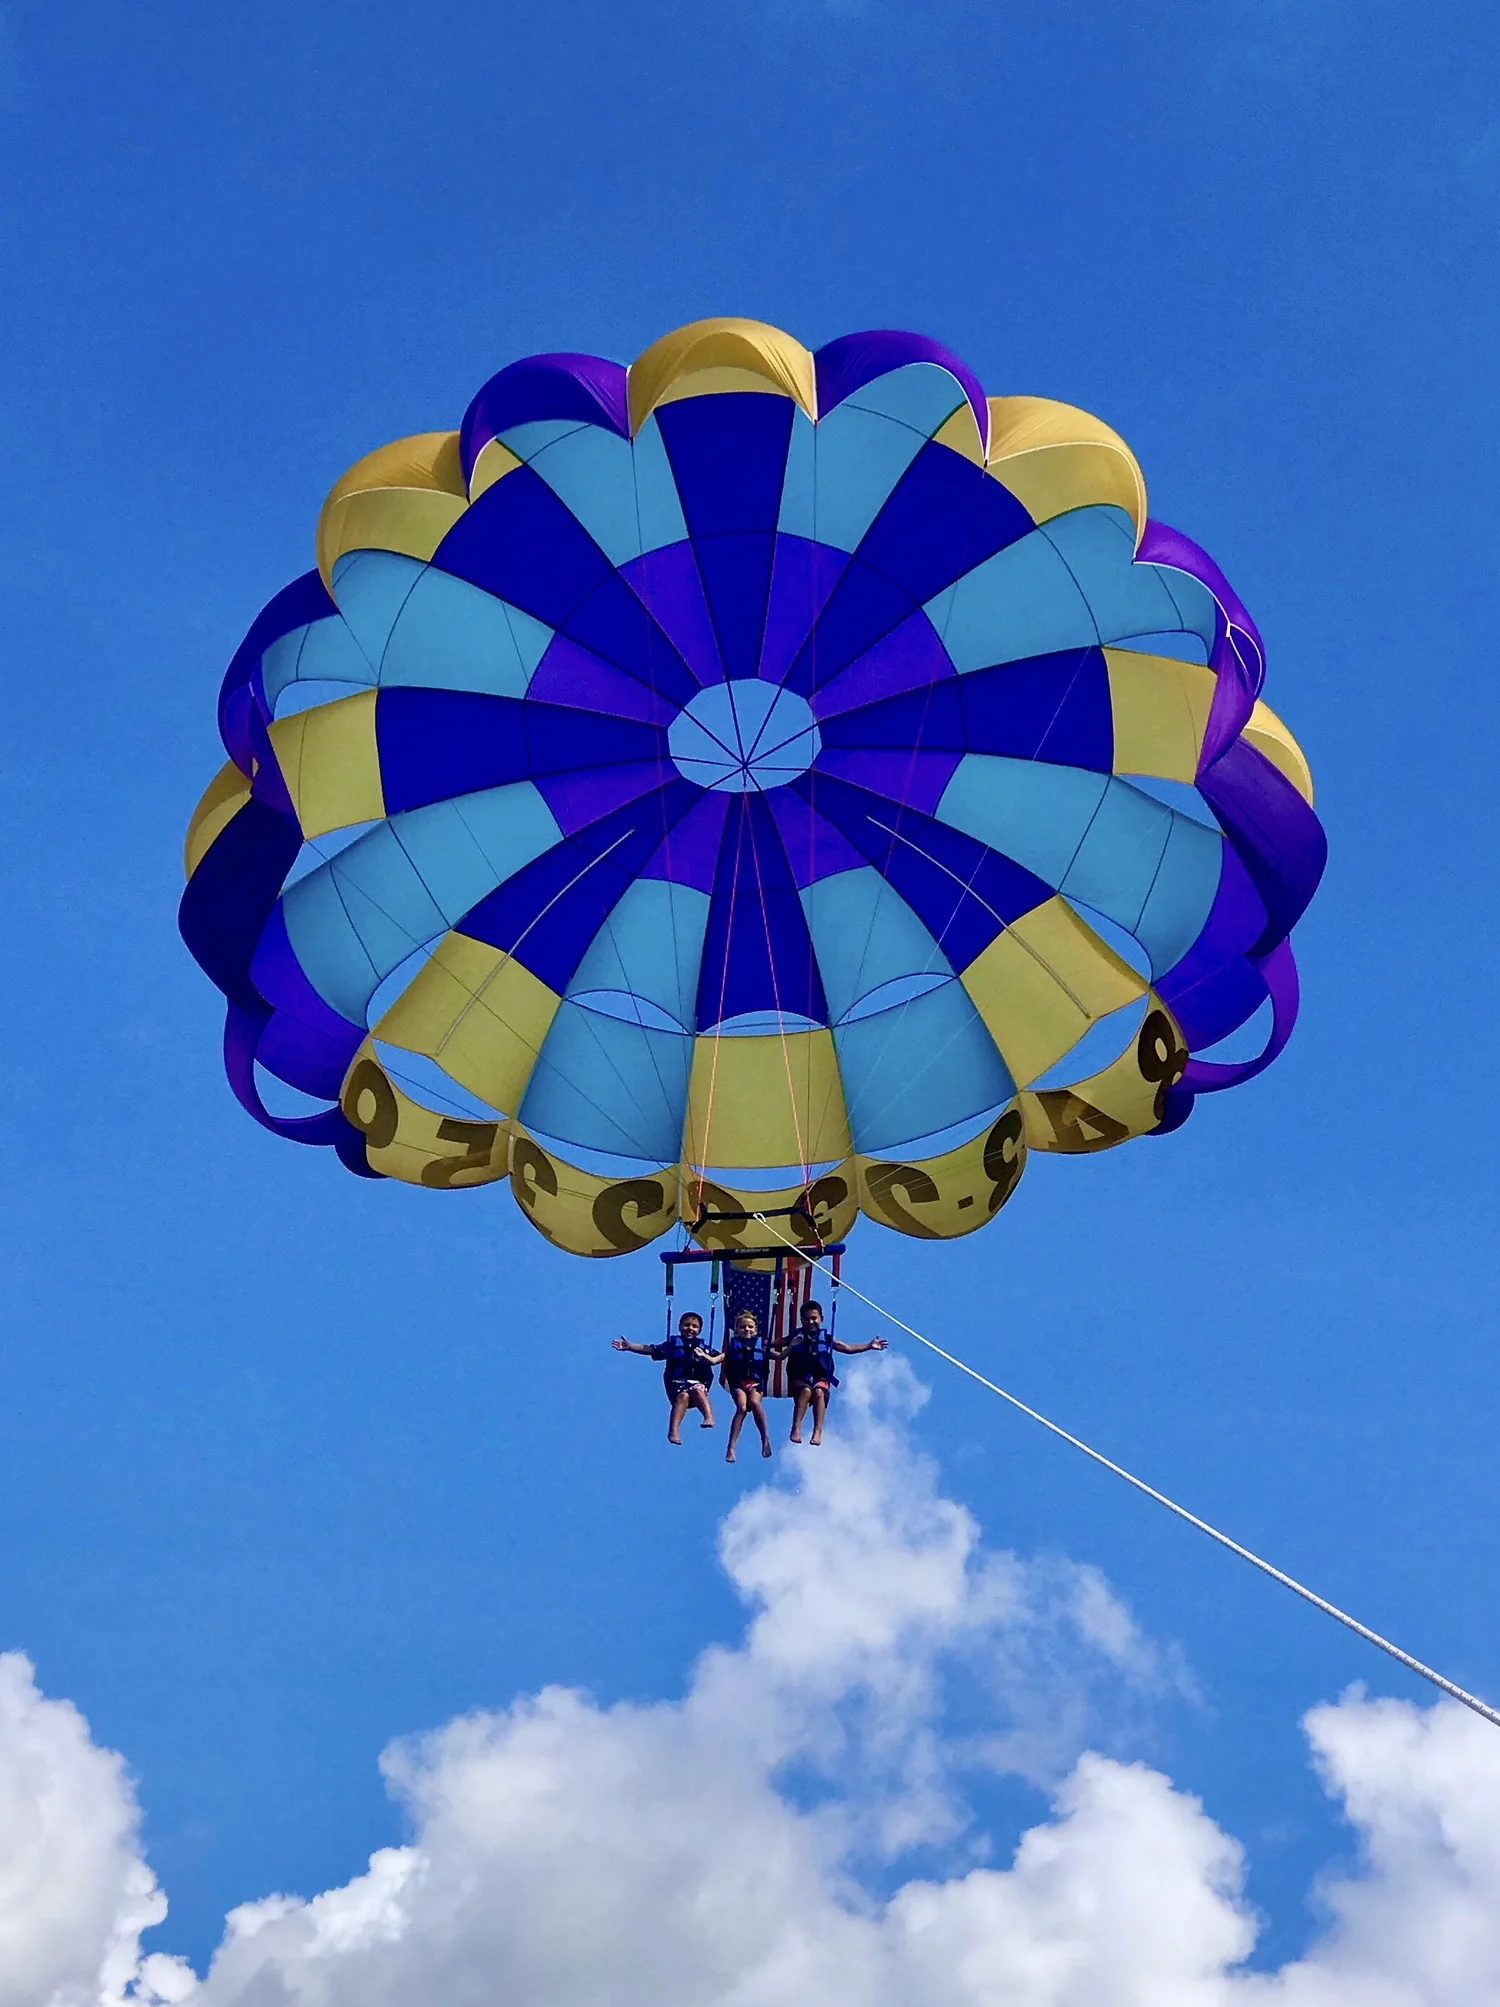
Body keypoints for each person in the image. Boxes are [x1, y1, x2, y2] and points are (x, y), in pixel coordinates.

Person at [785, 1300, 887, 1446]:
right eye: (806, 1319)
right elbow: (776, 1343)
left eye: (814, 1318)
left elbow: (847, 1348)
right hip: (801, 1375)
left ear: (821, 1319)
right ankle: (796, 1428)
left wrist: (869, 1346)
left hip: (820, 1374)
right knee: (806, 1391)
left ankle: (817, 1431)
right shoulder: (796, 1336)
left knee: (819, 1393)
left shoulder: (825, 1337)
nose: (811, 1322)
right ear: (802, 1320)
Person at [613, 1312, 721, 1444]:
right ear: (680, 1327)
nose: (690, 1328)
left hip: (697, 1383)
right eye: (687, 1325)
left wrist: (710, 1359)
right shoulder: (672, 1344)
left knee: (697, 1390)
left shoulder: (704, 1348)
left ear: (699, 1330)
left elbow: (722, 1357)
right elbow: (650, 1349)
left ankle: (709, 1417)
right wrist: (630, 1346)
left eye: (694, 1326)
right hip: (677, 1384)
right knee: (683, 1396)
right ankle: (673, 1432)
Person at [722, 1308, 774, 1463]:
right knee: (742, 1407)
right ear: (737, 1330)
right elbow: (721, 1357)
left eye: (750, 1327)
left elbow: (778, 1356)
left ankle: (765, 1439)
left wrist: (791, 1347)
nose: (747, 1329)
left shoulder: (761, 1345)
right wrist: (708, 1359)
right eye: (743, 1327)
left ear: (756, 1329)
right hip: (738, 1381)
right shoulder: (733, 1346)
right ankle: (731, 1447)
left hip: (756, 1381)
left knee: (754, 1402)